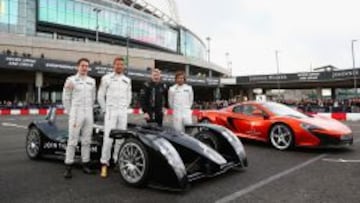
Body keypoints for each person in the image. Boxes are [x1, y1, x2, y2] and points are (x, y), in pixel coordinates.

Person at [98, 57, 132, 178]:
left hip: (122, 112)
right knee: (108, 139)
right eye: (117, 64)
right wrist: (105, 110)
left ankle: (117, 161)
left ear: (124, 66)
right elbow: (100, 95)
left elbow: (129, 96)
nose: (119, 66)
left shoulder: (127, 80)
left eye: (121, 64)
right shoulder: (106, 78)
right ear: (114, 65)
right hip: (111, 112)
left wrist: (124, 108)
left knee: (120, 138)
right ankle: (104, 163)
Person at [62, 58, 96, 179]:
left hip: (88, 113)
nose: (84, 68)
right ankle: (68, 166)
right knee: (72, 140)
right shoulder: (71, 80)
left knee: (87, 140)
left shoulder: (92, 81)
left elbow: (93, 98)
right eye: (82, 65)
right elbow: (66, 98)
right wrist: (71, 112)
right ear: (78, 67)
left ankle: (85, 164)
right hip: (76, 112)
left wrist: (89, 110)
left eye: (86, 66)